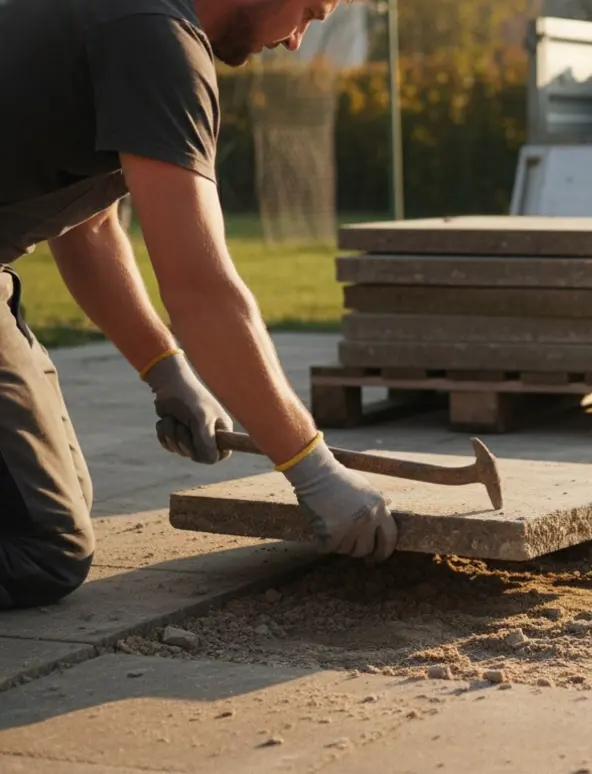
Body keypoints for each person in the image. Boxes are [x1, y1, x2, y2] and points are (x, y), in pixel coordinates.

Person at [0, 0, 398, 611]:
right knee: (40, 543)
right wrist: (313, 470)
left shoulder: (130, 21)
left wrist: (167, 370)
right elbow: (201, 290)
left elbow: (89, 229)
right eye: (308, 14)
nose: (297, 41)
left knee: (50, 503)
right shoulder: (157, 40)